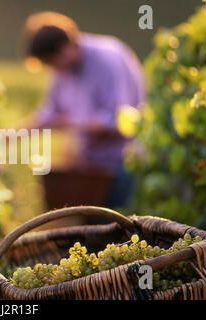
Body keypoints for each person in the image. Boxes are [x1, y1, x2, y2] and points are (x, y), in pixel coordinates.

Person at [22, 12, 145, 219]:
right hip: (89, 164)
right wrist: (8, 136)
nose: (54, 70)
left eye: (52, 63)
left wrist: (71, 124)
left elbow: (119, 121)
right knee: (89, 231)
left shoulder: (108, 58)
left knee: (117, 225)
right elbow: (49, 114)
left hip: (122, 161)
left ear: (65, 48)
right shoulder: (63, 69)